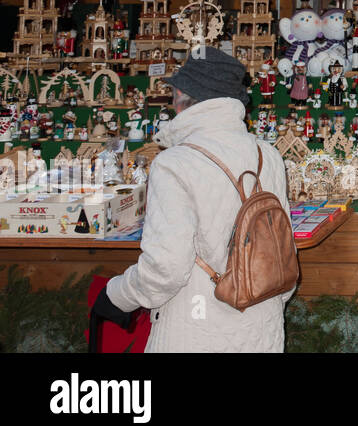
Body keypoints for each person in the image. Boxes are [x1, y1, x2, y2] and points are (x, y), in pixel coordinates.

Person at [95, 49, 294, 352]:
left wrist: (117, 295)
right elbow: (283, 254)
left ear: (183, 95)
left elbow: (165, 269)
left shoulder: (174, 163)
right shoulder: (268, 156)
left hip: (196, 330)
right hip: (262, 327)